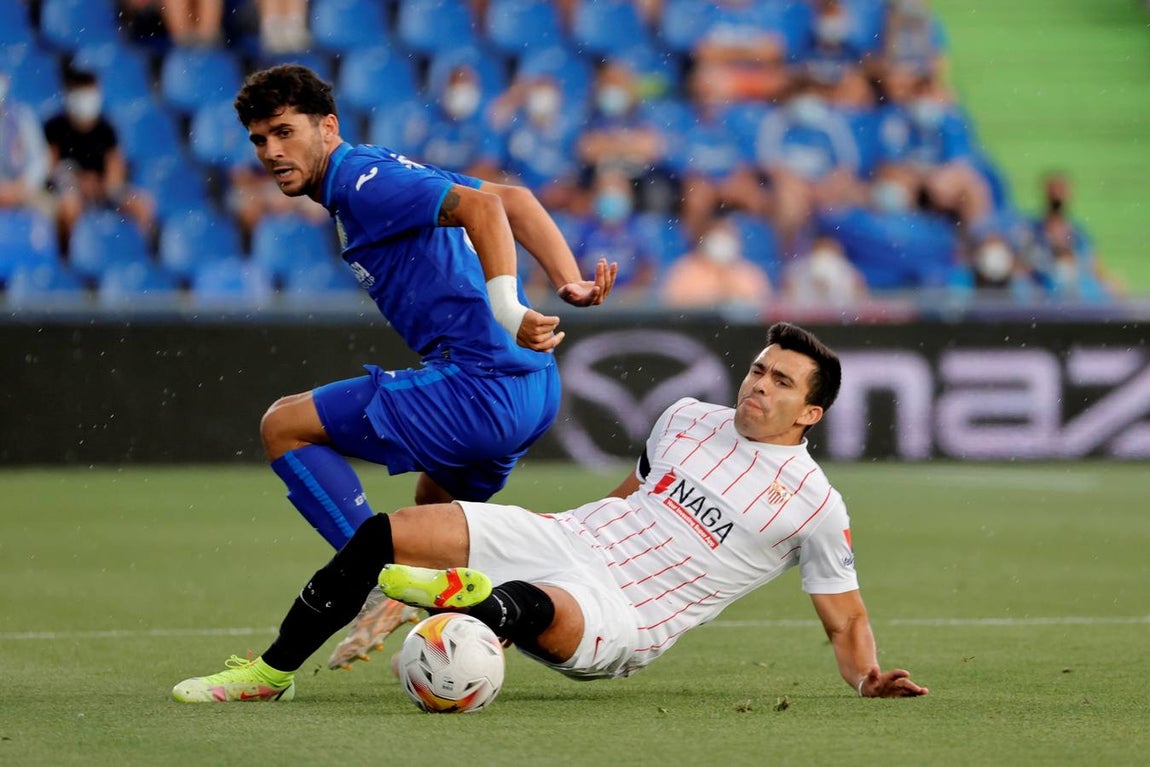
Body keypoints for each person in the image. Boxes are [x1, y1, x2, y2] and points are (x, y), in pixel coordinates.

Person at [173, 322, 929, 702]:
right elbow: (630, 495)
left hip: (623, 611)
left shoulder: (815, 506)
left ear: (812, 411)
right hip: (565, 536)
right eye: (760, 368)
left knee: (531, 603)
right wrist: (569, 534)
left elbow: (847, 618)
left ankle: (469, 603)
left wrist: (865, 677)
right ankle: (270, 673)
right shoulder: (688, 416)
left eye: (782, 382)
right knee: (384, 533)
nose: (759, 384)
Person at [230, 65, 617, 668]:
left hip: (479, 384)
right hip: (533, 387)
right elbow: (513, 199)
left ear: (327, 127)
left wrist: (510, 307)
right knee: (434, 514)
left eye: (284, 132)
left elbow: (487, 211)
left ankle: (379, 581)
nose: (272, 151)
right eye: (259, 140)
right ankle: (505, 608)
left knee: (283, 425)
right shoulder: (372, 168)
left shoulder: (361, 181)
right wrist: (568, 280)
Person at [43, 69, 155, 253]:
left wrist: (105, 187)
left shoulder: (106, 128)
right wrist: (79, 182)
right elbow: (51, 166)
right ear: (69, 94)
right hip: (69, 189)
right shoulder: (55, 126)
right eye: (81, 94)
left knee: (142, 204)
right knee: (69, 208)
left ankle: (139, 254)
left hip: (104, 189)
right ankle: (73, 258)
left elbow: (115, 167)